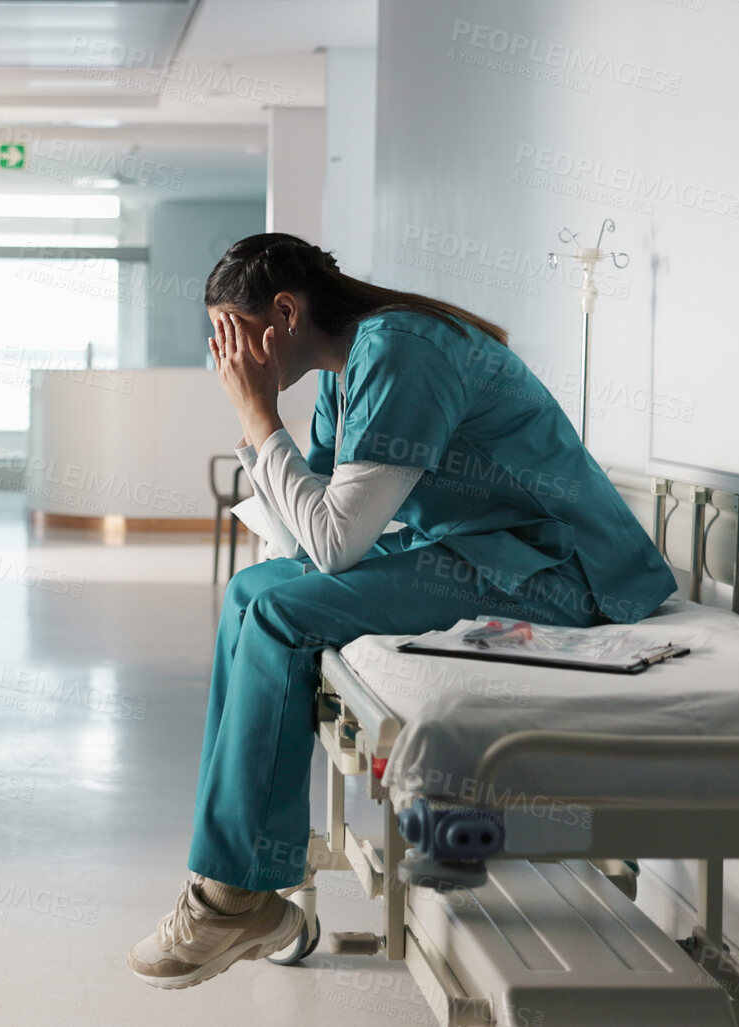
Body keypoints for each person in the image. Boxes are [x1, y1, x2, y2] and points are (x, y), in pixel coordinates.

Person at [127, 233, 676, 989]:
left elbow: (332, 545)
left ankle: (230, 895)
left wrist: (257, 415)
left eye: (231, 336)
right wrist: (261, 425)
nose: (227, 359)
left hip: (563, 569)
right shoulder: (343, 369)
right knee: (252, 590)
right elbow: (301, 534)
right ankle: (234, 881)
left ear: (281, 314)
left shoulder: (401, 350)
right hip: (486, 549)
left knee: (283, 611)